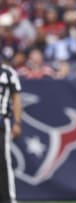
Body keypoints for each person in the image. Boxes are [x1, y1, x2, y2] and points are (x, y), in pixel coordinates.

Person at [0, 62, 22, 203]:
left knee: (4, 161)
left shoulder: (8, 72)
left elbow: (16, 98)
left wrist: (17, 122)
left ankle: (9, 198)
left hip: (2, 121)